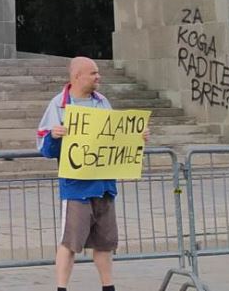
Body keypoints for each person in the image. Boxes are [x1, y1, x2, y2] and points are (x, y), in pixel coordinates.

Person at [37, 56, 150, 291]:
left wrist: (137, 137)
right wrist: (54, 137)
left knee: (104, 243)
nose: (98, 76)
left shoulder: (102, 101)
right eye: (93, 73)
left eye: (98, 72)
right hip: (77, 187)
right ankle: (61, 288)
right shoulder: (58, 105)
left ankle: (108, 287)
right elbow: (44, 148)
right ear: (77, 76)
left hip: (104, 185)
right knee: (70, 242)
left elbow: (115, 137)